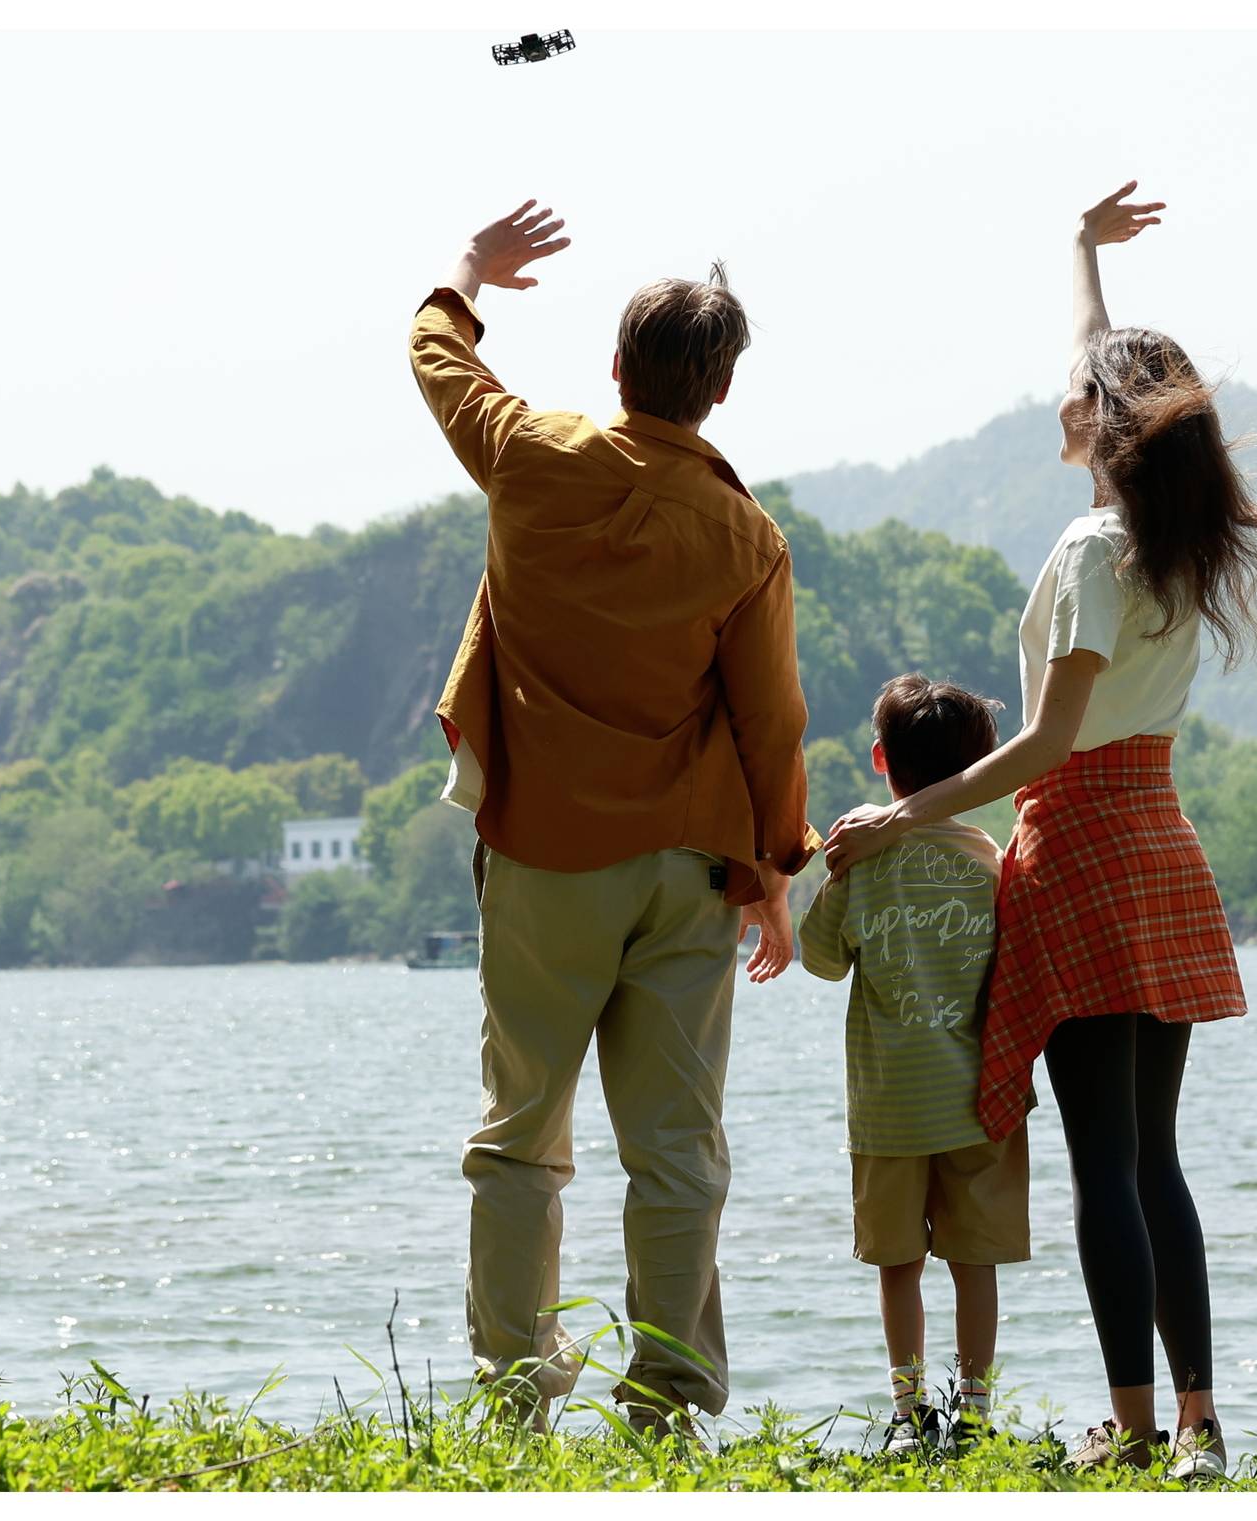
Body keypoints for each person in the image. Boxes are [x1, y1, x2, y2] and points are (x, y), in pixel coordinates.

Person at [822, 181, 1257, 1481]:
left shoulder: (1097, 551)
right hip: (1163, 842)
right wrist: (1082, 252)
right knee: (1156, 1160)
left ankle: (1140, 1430)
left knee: (1107, 1165)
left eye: (1083, 393)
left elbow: (1041, 746)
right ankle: (1198, 1428)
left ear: (1101, 428)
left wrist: (896, 817)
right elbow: (1103, 369)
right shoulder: (1173, 542)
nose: (1062, 395)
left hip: (1089, 849)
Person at [409, 201, 819, 1437]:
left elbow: (439, 360)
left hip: (544, 861)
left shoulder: (532, 455)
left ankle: (513, 1398)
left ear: (615, 369)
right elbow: (772, 726)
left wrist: (469, 273)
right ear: (722, 393)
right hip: (690, 872)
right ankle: (667, 1406)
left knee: (521, 1138)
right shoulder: (747, 537)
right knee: (677, 1153)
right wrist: (775, 877)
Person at [798, 675, 1028, 1456]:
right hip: (979, 1100)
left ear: (879, 761)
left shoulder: (862, 860)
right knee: (976, 1259)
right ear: (979, 769)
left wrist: (836, 877)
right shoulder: (992, 862)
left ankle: (906, 1411)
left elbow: (821, 959)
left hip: (890, 1106)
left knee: (898, 1262)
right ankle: (975, 1411)